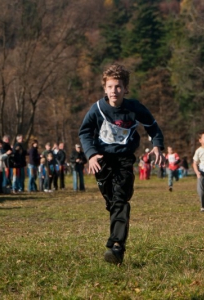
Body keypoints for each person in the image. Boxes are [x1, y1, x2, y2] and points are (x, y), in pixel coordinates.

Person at [79, 64, 165, 265]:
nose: (114, 91)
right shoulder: (98, 109)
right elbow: (84, 132)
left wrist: (157, 146)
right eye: (110, 87)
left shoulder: (134, 108)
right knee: (111, 201)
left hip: (124, 159)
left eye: (118, 87)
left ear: (125, 89)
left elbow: (153, 127)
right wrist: (91, 155)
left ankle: (116, 246)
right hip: (102, 160)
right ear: (105, 89)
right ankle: (117, 223)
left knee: (120, 200)